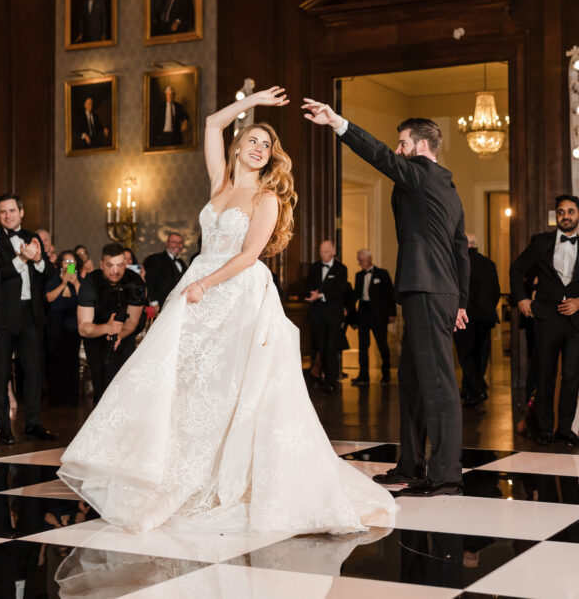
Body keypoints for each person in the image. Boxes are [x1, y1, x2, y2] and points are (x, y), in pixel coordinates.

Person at [59, 87, 395, 533]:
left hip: (236, 292)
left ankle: (227, 479)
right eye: (253, 141)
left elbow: (250, 256)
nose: (259, 150)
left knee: (232, 387)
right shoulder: (219, 182)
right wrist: (251, 102)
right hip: (199, 291)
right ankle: (172, 473)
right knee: (184, 382)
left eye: (267, 146)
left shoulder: (266, 197)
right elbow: (211, 124)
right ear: (238, 147)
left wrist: (202, 283)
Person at [303, 98, 469, 498]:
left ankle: (446, 473)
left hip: (429, 290)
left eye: (402, 142)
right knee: (412, 382)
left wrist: (339, 123)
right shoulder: (446, 185)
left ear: (421, 146)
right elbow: (459, 248)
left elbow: (378, 156)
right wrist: (460, 301)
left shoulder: (422, 174)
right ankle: (410, 468)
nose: (397, 149)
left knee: (439, 384)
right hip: (432, 290)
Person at [510, 195, 579, 447]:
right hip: (546, 318)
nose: (565, 215)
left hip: (576, 324)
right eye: (561, 212)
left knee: (571, 377)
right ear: (556, 216)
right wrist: (521, 300)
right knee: (545, 375)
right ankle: (544, 429)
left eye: (570, 211)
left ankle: (564, 429)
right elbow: (517, 269)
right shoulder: (540, 242)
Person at [0, 194, 55, 445]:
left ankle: (34, 423)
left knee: (33, 372)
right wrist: (22, 259)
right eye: (3, 212)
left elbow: (50, 273)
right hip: (4, 316)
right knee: (1, 374)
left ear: (21, 212)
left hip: (31, 315)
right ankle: (4, 428)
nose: (7, 216)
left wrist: (38, 259)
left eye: (12, 211)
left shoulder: (33, 237)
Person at [77, 243, 147, 404]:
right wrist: (107, 328)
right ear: (101, 265)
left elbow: (133, 321)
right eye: (109, 266)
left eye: (120, 265)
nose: (115, 271)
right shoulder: (90, 283)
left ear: (125, 264)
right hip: (95, 337)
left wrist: (119, 334)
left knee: (122, 384)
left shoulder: (135, 282)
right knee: (100, 384)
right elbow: (83, 327)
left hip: (124, 335)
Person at [454, 234, 500, 407]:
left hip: (464, 315)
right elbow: (496, 291)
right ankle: (470, 390)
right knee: (480, 355)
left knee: (465, 355)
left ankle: (477, 389)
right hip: (486, 316)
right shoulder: (489, 263)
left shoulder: (458, 263)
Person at [306, 240, 349, 393]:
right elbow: (309, 285)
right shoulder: (314, 268)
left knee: (331, 348)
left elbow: (340, 290)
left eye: (325, 251)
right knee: (321, 347)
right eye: (321, 251)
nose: (322, 254)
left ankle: (331, 381)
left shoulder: (341, 269)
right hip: (317, 315)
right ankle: (322, 376)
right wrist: (311, 294)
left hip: (333, 315)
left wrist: (322, 295)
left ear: (333, 252)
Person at [349, 249, 395, 386]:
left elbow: (390, 295)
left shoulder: (383, 274)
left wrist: (392, 313)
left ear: (369, 259)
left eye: (361, 260)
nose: (359, 263)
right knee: (363, 346)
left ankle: (386, 375)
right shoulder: (359, 275)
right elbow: (356, 294)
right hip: (363, 313)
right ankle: (363, 375)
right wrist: (347, 308)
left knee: (382, 345)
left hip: (379, 315)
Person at [44, 250, 83, 406]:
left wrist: (75, 282)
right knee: (55, 362)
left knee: (71, 362)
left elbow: (85, 299)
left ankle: (71, 397)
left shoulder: (78, 280)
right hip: (55, 327)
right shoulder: (54, 279)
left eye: (72, 262)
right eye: (66, 262)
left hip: (73, 328)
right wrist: (63, 283)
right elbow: (49, 297)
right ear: (60, 263)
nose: (69, 265)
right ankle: (55, 398)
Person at [143, 232, 186, 307]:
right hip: (160, 305)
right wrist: (153, 302)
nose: (178, 245)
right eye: (174, 242)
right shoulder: (155, 259)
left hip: (177, 305)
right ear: (167, 243)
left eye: (180, 243)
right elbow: (149, 282)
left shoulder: (181, 262)